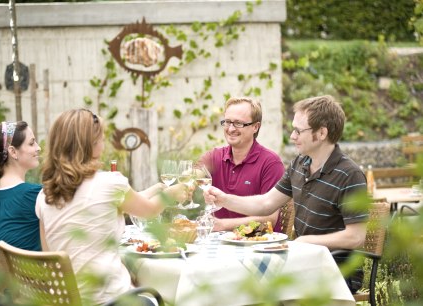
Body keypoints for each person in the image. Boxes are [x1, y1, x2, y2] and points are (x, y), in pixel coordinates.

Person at [205, 95, 369, 293]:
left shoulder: (350, 175)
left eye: (298, 130)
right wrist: (224, 199)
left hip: (335, 271)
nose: (292, 136)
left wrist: (304, 242)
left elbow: (356, 237)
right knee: (237, 285)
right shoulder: (299, 165)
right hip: (301, 262)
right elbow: (266, 203)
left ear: (322, 133)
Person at [35, 109, 186, 305]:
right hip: (110, 300)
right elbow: (149, 211)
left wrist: (155, 190)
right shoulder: (109, 183)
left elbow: (50, 254)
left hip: (66, 300)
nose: (104, 143)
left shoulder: (44, 195)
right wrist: (171, 193)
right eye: (101, 138)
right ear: (91, 144)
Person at [198, 97, 285, 232]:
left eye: (238, 123)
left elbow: (270, 219)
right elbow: (189, 178)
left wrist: (222, 225)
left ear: (255, 127)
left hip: (259, 246)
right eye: (227, 122)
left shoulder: (271, 163)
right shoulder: (214, 157)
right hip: (220, 244)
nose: (231, 129)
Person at [0, 121, 42, 251]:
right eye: (32, 143)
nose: (38, 148)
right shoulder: (36, 195)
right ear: (13, 152)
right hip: (31, 271)